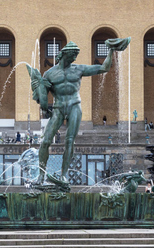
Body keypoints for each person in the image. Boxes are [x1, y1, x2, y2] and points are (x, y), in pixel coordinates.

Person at [27, 38, 129, 184]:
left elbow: (104, 68)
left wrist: (111, 50)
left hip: (75, 106)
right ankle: (41, 176)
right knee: (45, 142)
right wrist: (41, 91)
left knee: (69, 141)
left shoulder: (79, 69)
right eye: (72, 55)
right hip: (58, 108)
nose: (74, 58)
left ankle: (63, 175)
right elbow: (42, 100)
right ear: (64, 55)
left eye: (76, 56)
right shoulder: (49, 74)